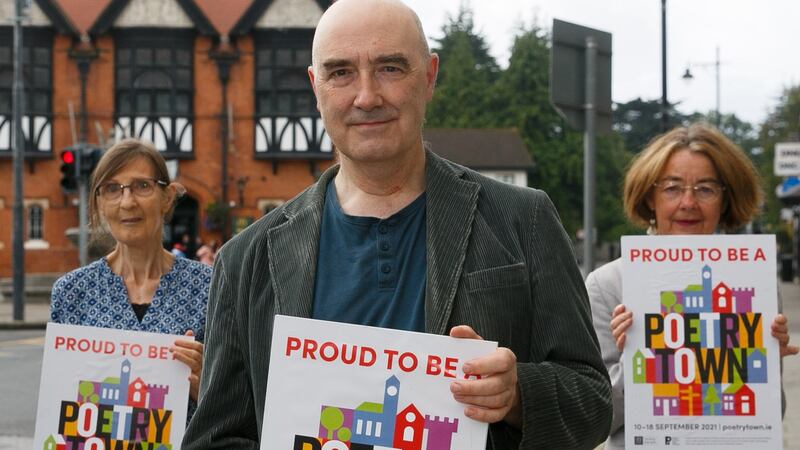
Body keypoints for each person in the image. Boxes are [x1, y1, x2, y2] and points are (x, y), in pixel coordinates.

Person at [183, 0, 612, 448]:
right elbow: (215, 438)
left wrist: (518, 394)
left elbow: (593, 403)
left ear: (429, 76)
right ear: (316, 87)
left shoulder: (523, 219)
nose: (367, 97)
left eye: (390, 68)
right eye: (341, 72)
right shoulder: (245, 259)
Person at [586, 123, 800, 450]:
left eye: (705, 189)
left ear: (725, 199)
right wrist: (644, 356)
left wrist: (762, 366)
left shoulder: (753, 282)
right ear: (650, 197)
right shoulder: (608, 285)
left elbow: (772, 416)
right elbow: (595, 419)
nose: (688, 202)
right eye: (672, 188)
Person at [50, 138, 212, 416]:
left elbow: (238, 408)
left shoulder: (211, 287)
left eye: (142, 186)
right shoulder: (71, 292)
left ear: (167, 197)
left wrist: (208, 386)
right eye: (112, 189)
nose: (127, 202)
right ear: (100, 203)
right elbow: (58, 402)